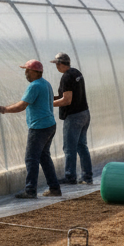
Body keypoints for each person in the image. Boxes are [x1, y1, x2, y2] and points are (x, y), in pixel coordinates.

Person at [0, 59, 62, 200]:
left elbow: (21, 106)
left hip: (39, 127)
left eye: (28, 70)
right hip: (50, 125)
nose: (26, 73)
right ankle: (54, 188)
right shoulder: (46, 84)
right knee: (44, 157)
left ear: (36, 72)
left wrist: (5, 109)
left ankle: (30, 190)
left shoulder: (34, 86)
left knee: (31, 158)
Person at [51, 52, 93, 186]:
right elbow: (69, 96)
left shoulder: (66, 77)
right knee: (81, 146)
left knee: (69, 148)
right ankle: (87, 176)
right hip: (84, 113)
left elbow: (67, 100)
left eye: (57, 64)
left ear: (61, 64)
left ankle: (70, 176)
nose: (56, 67)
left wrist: (48, 103)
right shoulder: (76, 73)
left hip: (74, 116)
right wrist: (52, 98)